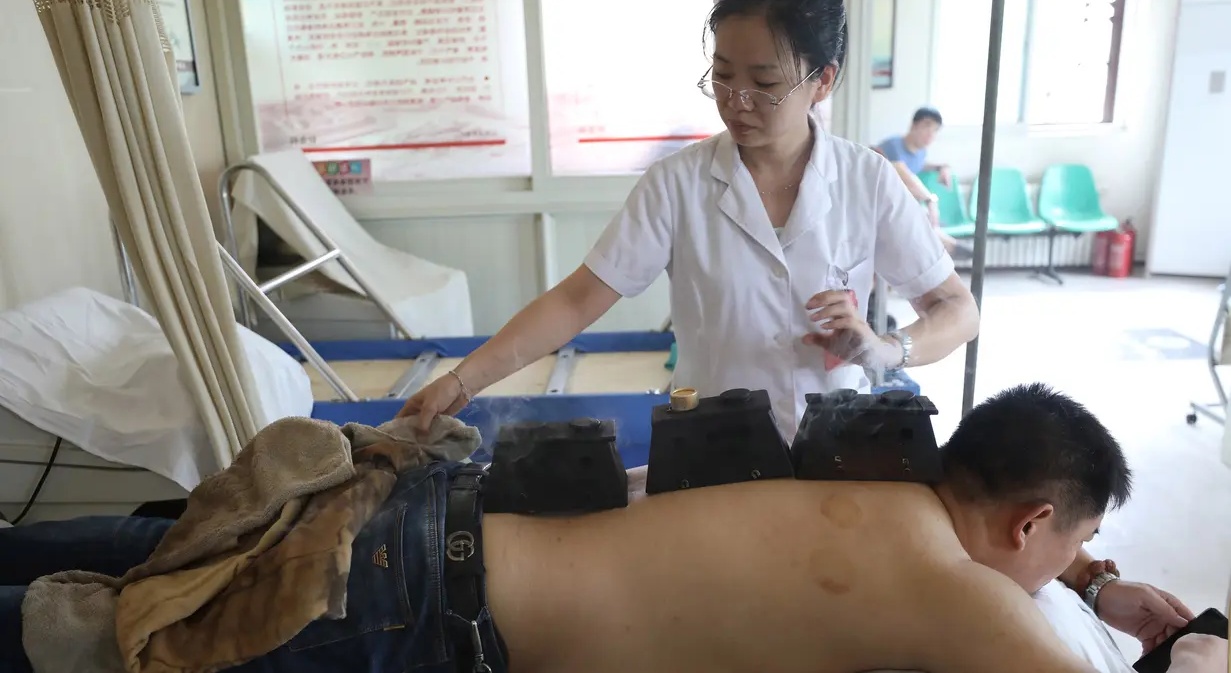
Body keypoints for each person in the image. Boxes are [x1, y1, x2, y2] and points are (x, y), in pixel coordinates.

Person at [2, 384, 1225, 673]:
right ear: (1027, 520)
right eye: (1064, 549)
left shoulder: (900, 501)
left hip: (413, 516)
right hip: (414, 602)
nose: (1056, 577)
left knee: (121, 557)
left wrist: (1104, 580)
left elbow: (1032, 577)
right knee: (81, 641)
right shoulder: (949, 582)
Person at [398, 0, 981, 439]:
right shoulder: (676, 185)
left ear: (823, 81)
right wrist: (463, 380)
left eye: (766, 84)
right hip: (712, 445)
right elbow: (578, 300)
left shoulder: (868, 181)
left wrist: (886, 348)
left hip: (833, 446)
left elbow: (957, 309)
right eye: (723, 76)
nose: (737, 102)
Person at [873, 107, 968, 258]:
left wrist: (942, 167)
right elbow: (903, 173)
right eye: (927, 126)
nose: (931, 134)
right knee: (921, 216)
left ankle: (946, 248)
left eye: (935, 130)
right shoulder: (893, 145)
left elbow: (919, 165)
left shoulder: (920, 153)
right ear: (913, 126)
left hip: (894, 208)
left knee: (921, 222)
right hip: (873, 206)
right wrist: (930, 200)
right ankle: (950, 247)